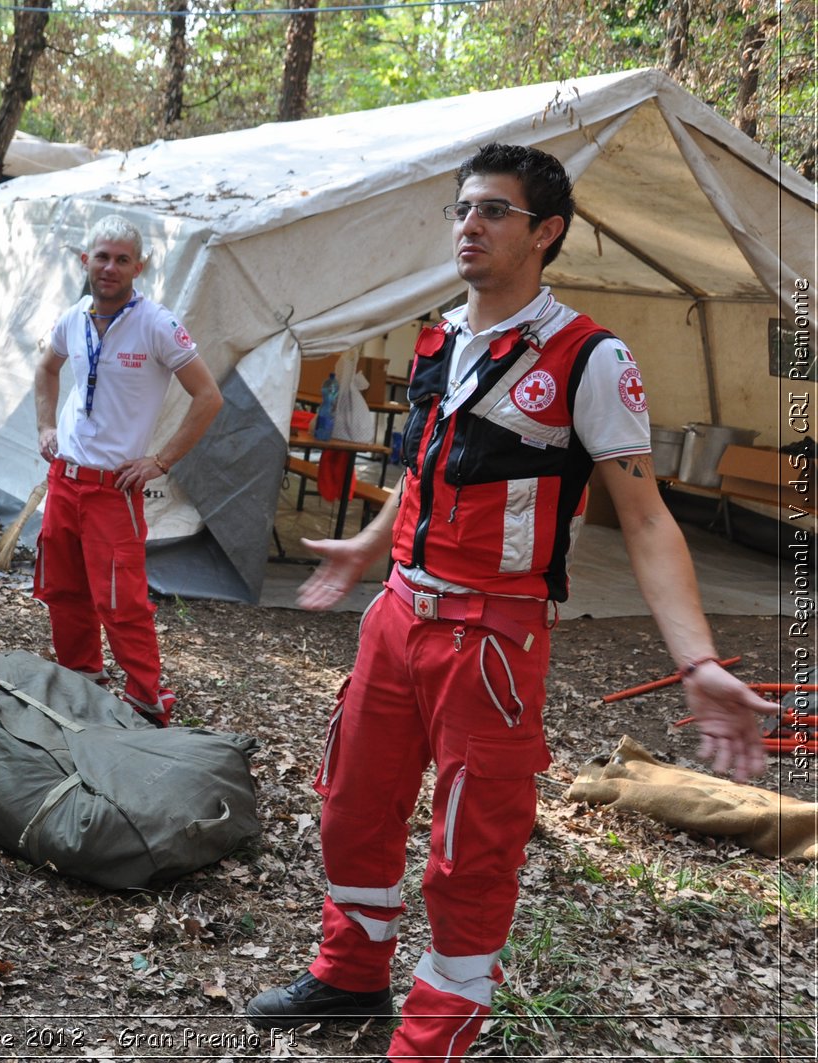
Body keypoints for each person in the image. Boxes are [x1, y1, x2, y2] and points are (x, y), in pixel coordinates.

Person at [243, 143, 774, 1060]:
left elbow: (646, 521)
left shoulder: (590, 358)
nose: (469, 225)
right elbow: (425, 464)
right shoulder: (441, 336)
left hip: (492, 637)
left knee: (471, 843)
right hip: (399, 615)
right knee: (352, 802)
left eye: (493, 211)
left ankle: (432, 1038)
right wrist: (375, 547)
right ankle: (353, 970)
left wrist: (697, 662)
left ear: (547, 232)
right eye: (461, 210)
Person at [33, 215, 222, 725]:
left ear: (139, 266)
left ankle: (145, 698)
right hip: (64, 482)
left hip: (113, 490)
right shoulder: (73, 318)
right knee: (63, 591)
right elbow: (46, 368)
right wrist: (46, 426)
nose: (110, 267)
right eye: (102, 256)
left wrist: (161, 461)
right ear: (85, 260)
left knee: (122, 603)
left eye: (122, 259)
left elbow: (208, 397)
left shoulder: (157, 324)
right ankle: (80, 681)